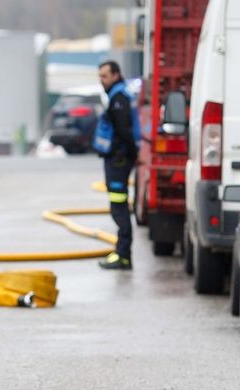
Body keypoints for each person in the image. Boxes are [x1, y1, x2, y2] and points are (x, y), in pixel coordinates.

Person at [93, 60, 140, 270]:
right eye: (100, 76)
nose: (101, 80)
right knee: (118, 208)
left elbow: (123, 131)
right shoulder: (119, 95)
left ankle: (123, 255)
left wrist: (125, 155)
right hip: (118, 159)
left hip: (118, 161)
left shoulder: (119, 98)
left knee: (119, 209)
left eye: (104, 76)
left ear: (116, 75)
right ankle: (122, 253)